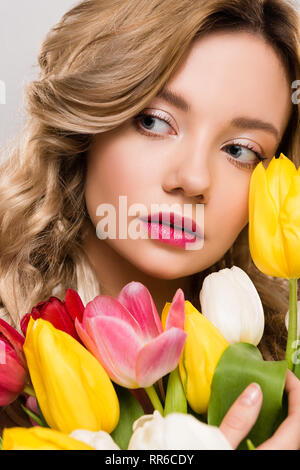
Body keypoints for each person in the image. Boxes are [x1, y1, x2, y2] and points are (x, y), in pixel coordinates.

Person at [0, 0, 299, 449]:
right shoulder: (11, 362)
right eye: (155, 121)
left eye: (239, 150)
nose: (194, 180)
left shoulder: (282, 375)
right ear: (86, 124)